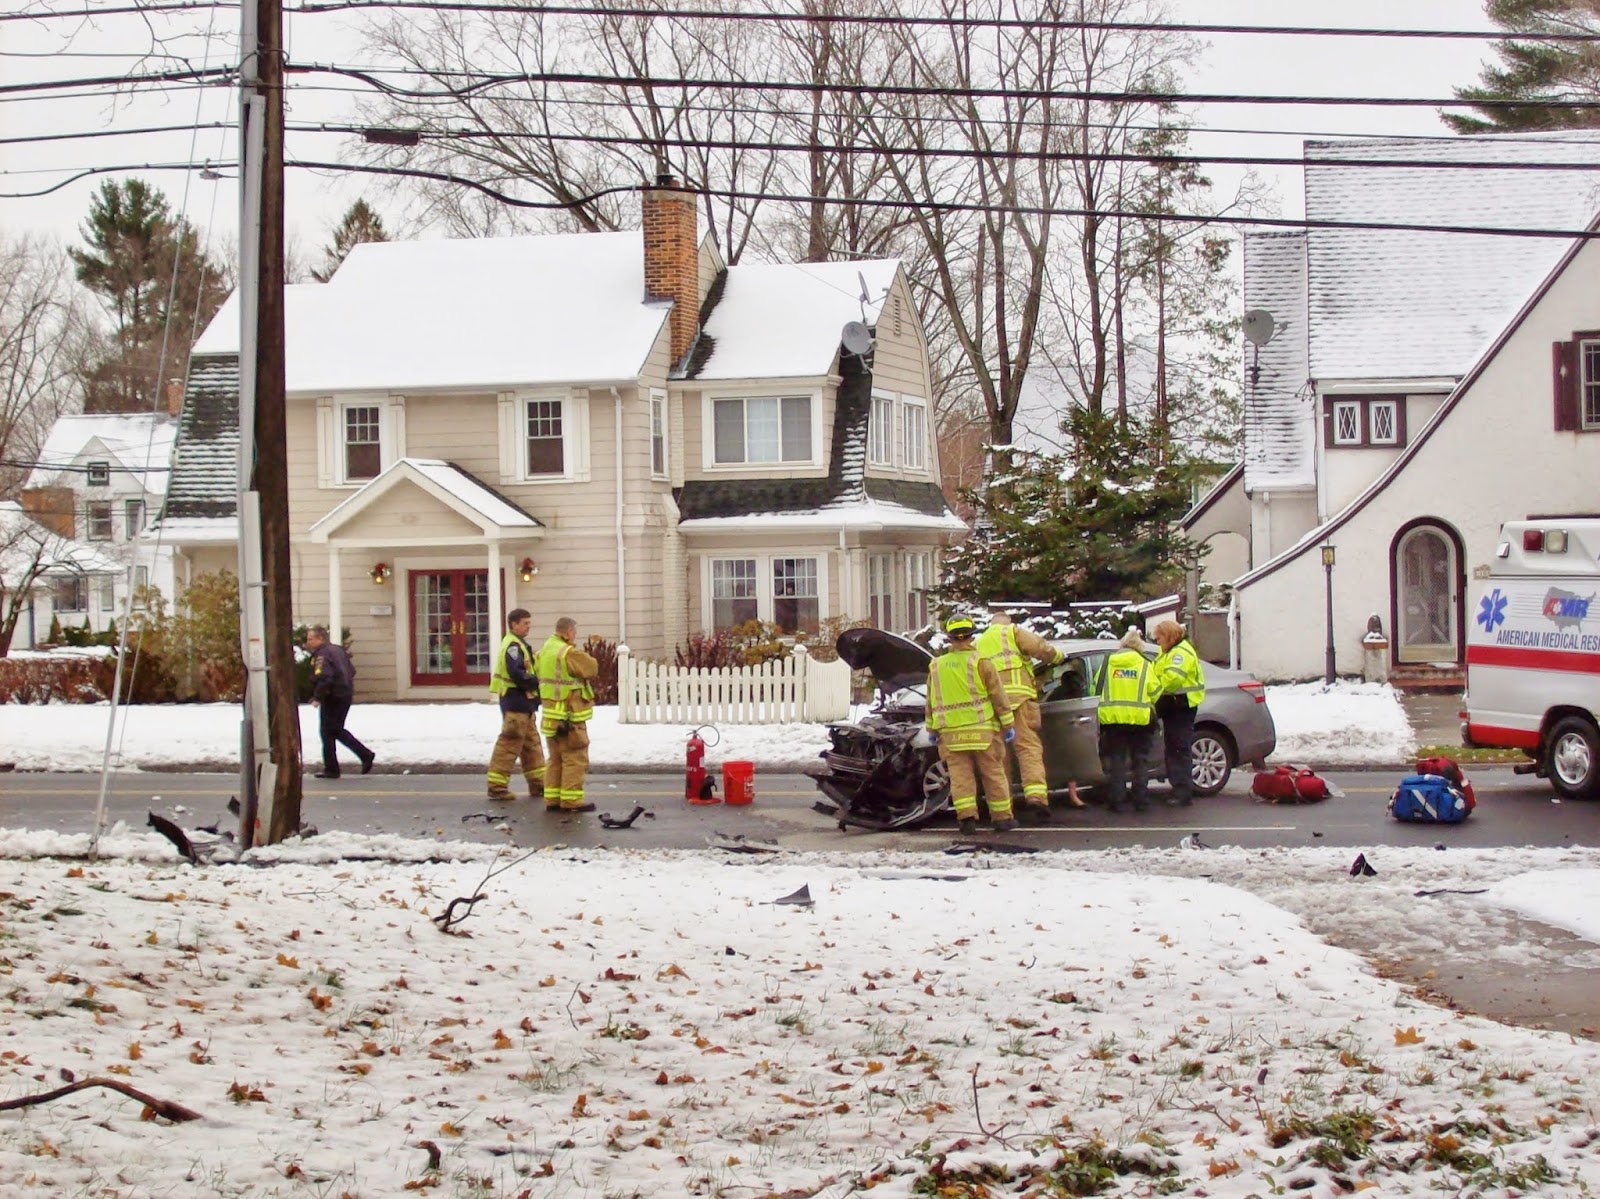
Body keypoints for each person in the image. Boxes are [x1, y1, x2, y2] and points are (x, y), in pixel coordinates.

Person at [975, 611, 1083, 819]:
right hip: (1019, 700)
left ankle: (1002, 805)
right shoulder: (1012, 632)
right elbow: (1041, 648)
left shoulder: (979, 643)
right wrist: (1059, 658)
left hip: (992, 706)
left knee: (999, 756)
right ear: (1007, 622)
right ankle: (1036, 798)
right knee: (1028, 749)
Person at [926, 615, 1017, 832]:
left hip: (951, 734)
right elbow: (998, 696)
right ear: (971, 636)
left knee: (960, 778)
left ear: (949, 638)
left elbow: (931, 700)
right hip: (983, 731)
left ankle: (967, 819)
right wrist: (1008, 724)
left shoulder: (936, 666)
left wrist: (931, 728)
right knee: (993, 774)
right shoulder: (981, 662)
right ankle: (1002, 819)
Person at [535, 616, 599, 813]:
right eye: (574, 632)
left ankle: (552, 799)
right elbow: (591, 668)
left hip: (551, 717)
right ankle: (571, 800)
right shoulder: (567, 653)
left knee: (555, 759)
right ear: (568, 632)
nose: (575, 636)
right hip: (569, 717)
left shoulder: (544, 651)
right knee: (574, 758)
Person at [486, 608, 546, 803]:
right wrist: (537, 682)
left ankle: (539, 784)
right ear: (514, 624)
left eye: (529, 623)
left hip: (524, 705)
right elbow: (517, 673)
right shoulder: (513, 646)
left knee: (531, 746)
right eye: (525, 623)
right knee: (509, 745)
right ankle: (497, 788)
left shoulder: (518, 644)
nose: (529, 627)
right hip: (516, 703)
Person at [1097, 628, 1158, 813]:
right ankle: (1141, 800)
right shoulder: (1145, 665)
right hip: (1140, 720)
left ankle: (1116, 800)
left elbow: (1095, 687)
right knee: (1140, 761)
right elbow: (1155, 691)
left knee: (1117, 760)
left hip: (1113, 720)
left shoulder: (1108, 663)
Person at [304, 625, 374, 780]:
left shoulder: (322, 655)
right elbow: (351, 671)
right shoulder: (338, 650)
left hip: (333, 696)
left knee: (329, 730)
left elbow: (325, 677)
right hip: (344, 694)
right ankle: (335, 767)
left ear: (320, 638)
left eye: (310, 639)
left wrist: (318, 697)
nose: (308, 642)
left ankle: (361, 756)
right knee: (333, 730)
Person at [1152, 618, 1208, 808]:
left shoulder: (1180, 653)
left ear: (1169, 636)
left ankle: (1183, 793)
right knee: (1173, 747)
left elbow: (1172, 680)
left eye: (1159, 638)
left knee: (1179, 748)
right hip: (1173, 706)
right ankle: (1178, 788)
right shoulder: (1169, 651)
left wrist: (1152, 688)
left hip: (1181, 706)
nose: (1157, 641)